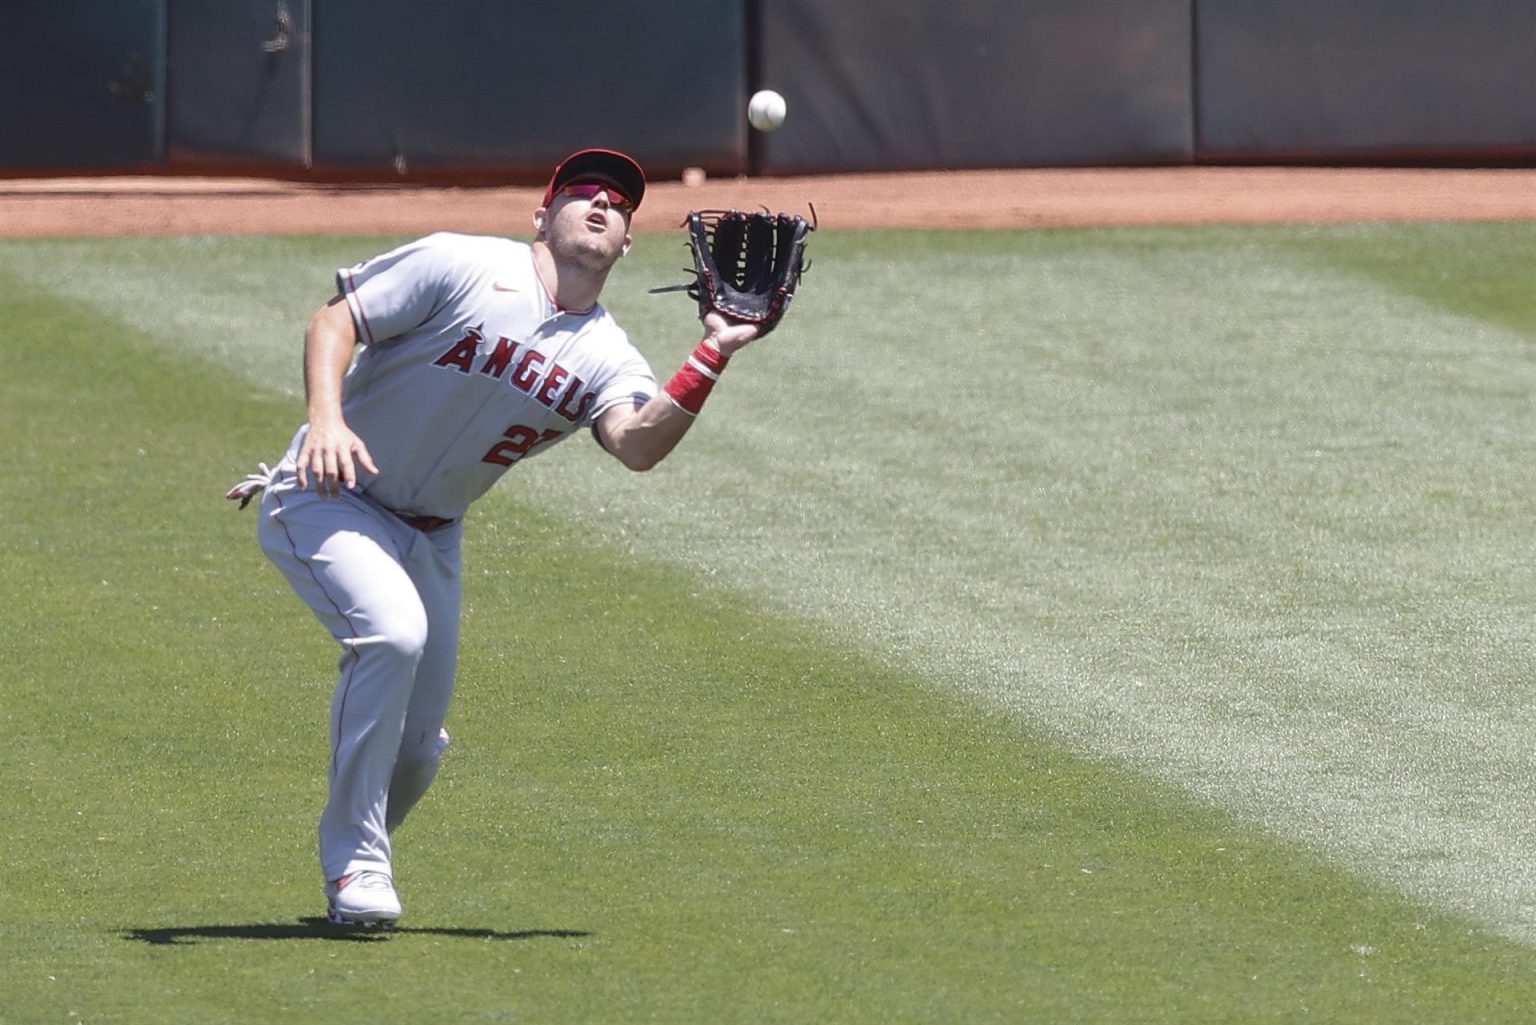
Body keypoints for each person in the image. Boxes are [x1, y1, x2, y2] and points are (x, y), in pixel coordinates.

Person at [232, 148, 763, 927]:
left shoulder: (606, 354)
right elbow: (336, 318)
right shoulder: (461, 263)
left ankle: (354, 871)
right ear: (540, 214)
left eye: (617, 204)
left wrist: (713, 351)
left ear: (626, 244)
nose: (600, 204)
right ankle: (355, 866)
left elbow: (639, 444)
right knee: (393, 634)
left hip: (432, 539)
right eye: (581, 191)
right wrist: (326, 418)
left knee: (416, 753)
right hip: (328, 493)